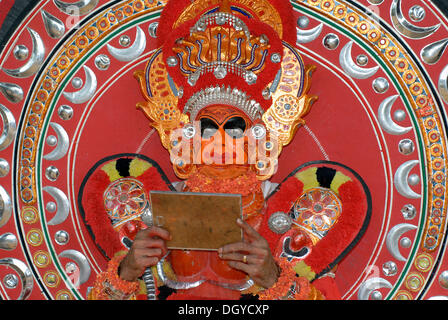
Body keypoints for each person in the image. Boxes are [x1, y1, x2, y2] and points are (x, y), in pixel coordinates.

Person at [87, 0, 370, 300]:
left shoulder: (294, 208)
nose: (220, 143)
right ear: (188, 138)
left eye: (234, 130)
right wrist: (128, 271)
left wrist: (274, 277)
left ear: (258, 137)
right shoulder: (153, 210)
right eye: (208, 129)